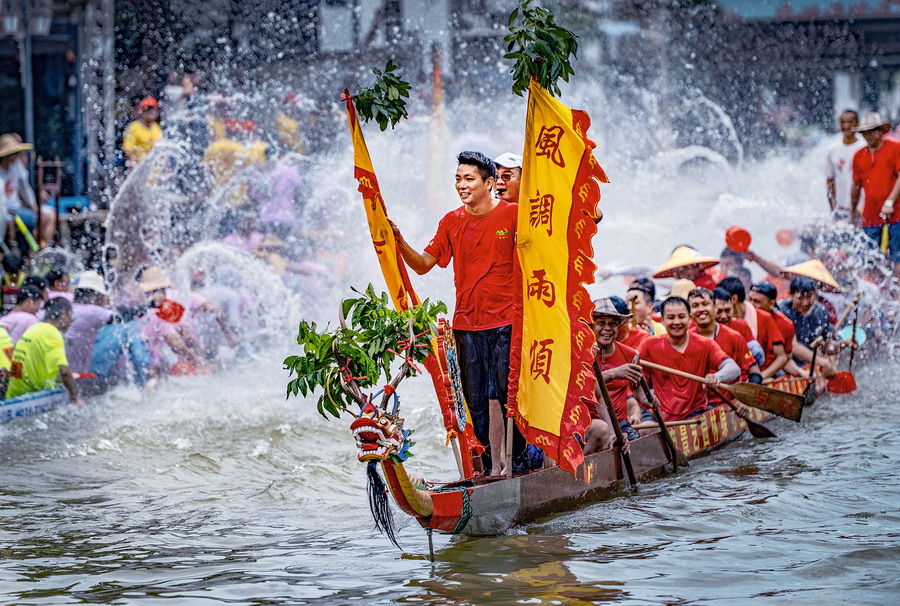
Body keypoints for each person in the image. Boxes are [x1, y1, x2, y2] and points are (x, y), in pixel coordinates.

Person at [390, 150, 524, 476]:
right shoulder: (452, 221)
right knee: (475, 404)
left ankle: (518, 464)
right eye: (458, 179)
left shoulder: (514, 214)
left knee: (508, 397)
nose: (462, 185)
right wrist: (399, 240)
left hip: (507, 322)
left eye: (469, 179)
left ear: (489, 183)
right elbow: (423, 265)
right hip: (466, 325)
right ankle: (491, 470)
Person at [637, 297, 740, 421]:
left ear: (690, 318)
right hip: (659, 414)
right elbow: (633, 370)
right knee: (645, 428)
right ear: (662, 320)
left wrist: (717, 377)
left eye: (681, 316)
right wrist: (642, 398)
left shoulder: (706, 344)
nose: (676, 322)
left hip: (695, 415)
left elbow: (733, 368)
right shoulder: (649, 344)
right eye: (671, 318)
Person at [6, 297, 86, 407]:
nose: (72, 320)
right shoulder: (52, 333)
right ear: (64, 314)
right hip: (31, 399)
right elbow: (64, 370)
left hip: (13, 396)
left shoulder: (34, 328)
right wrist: (75, 398)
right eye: (71, 314)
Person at [850, 112, 900, 281]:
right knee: (869, 260)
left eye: (872, 131)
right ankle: (877, 291)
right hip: (870, 216)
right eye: (865, 132)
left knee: (897, 259)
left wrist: (890, 201)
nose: (868, 135)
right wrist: (852, 212)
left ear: (880, 131)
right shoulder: (859, 155)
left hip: (896, 213)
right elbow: (856, 185)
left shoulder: (895, 148)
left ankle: (896, 293)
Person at [591, 298, 644, 445]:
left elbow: (638, 391)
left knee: (636, 444)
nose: (607, 328)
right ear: (591, 326)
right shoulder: (579, 354)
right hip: (588, 424)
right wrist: (613, 373)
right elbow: (583, 386)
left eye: (613, 324)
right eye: (601, 323)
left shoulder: (630, 354)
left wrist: (649, 399)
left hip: (620, 423)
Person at [688, 288, 761, 385]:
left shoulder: (734, 337)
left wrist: (748, 392)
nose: (701, 309)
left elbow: (755, 373)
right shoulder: (686, 339)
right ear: (689, 312)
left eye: (705, 304)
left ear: (715, 307)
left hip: (729, 394)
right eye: (695, 306)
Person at [776, 276, 836, 375]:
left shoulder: (821, 312)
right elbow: (793, 346)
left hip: (811, 364)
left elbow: (826, 343)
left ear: (815, 296)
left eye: (809, 297)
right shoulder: (781, 312)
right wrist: (822, 362)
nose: (805, 302)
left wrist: (839, 346)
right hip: (786, 364)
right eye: (800, 298)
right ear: (791, 295)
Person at [65, 271, 113, 375]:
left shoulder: (69, 307)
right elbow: (121, 316)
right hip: (77, 373)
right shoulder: (92, 311)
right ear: (93, 296)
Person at [826, 109, 866, 218]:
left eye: (850, 122)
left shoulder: (864, 147)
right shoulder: (832, 149)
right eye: (843, 122)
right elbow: (830, 180)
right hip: (841, 208)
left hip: (862, 207)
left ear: (857, 124)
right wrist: (833, 207)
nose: (846, 126)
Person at [653, 245, 725, 290]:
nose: (682, 272)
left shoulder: (706, 283)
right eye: (677, 269)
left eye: (687, 267)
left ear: (697, 267)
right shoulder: (680, 288)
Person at [122, 97, 163, 168]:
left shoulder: (156, 127)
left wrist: (168, 170)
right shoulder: (133, 127)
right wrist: (135, 168)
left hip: (154, 170)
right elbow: (128, 151)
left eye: (154, 110)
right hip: (140, 168)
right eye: (148, 109)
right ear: (142, 111)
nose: (151, 112)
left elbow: (162, 151)